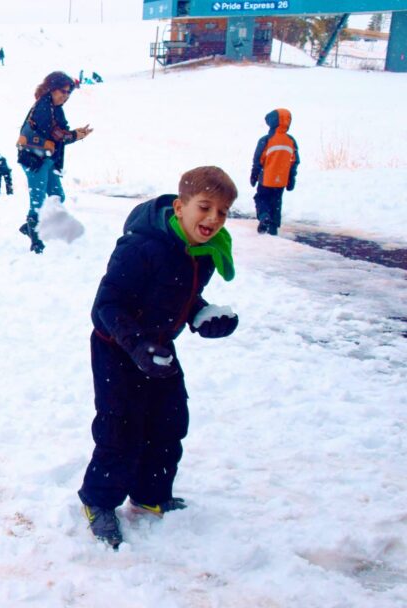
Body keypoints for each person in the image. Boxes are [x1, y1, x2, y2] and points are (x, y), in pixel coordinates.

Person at [77, 166, 240, 549]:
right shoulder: (141, 247)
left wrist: (202, 316)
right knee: (121, 426)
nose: (213, 219)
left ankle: (151, 493)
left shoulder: (201, 252)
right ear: (180, 207)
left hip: (160, 347)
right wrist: (136, 344)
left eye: (222, 212)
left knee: (169, 421)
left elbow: (179, 296)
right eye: (205, 207)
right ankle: (98, 500)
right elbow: (107, 304)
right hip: (116, 347)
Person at [16, 71, 93, 253]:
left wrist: (75, 133)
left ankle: (31, 226)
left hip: (47, 159)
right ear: (51, 88)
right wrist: (74, 135)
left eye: (68, 93)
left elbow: (62, 132)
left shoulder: (55, 108)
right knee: (38, 200)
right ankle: (35, 238)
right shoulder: (43, 106)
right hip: (34, 159)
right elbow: (54, 134)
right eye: (63, 91)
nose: (65, 96)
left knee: (57, 195)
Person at [250, 108, 299, 236]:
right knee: (276, 202)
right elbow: (294, 161)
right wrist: (291, 178)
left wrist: (254, 175)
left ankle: (264, 216)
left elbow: (258, 160)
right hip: (281, 180)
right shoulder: (291, 141)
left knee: (261, 198)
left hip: (266, 179)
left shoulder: (266, 140)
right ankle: (273, 228)